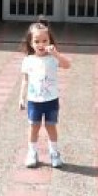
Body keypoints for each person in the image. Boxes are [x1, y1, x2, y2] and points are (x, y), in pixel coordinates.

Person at [18, 17, 71, 168]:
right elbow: (25, 81)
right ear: (30, 43)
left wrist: (56, 54)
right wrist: (21, 98)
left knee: (51, 126)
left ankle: (54, 153)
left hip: (51, 100)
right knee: (33, 127)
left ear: (49, 41)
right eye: (37, 41)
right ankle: (32, 152)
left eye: (44, 40)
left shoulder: (52, 58)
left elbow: (67, 65)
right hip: (34, 101)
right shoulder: (28, 60)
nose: (41, 44)